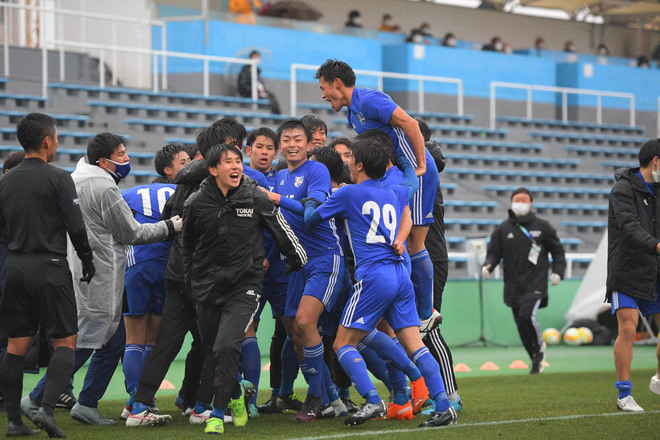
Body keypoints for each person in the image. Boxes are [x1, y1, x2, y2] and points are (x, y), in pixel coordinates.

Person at [21, 133, 182, 427]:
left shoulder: (76, 177)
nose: (126, 159)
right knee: (86, 340)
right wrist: (169, 226)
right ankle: (36, 397)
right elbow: (131, 233)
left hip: (79, 267)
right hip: (99, 271)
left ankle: (86, 403)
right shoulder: (104, 186)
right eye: (121, 154)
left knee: (112, 339)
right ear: (103, 160)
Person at [304, 138, 457, 428]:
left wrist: (313, 197)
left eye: (351, 158)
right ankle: (443, 405)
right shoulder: (395, 191)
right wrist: (399, 156)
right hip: (401, 274)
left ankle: (373, 399)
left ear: (359, 165)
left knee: (342, 343)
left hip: (374, 275)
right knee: (415, 345)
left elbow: (311, 218)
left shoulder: (349, 194)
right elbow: (413, 179)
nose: (347, 162)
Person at [126, 119, 250, 428]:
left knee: (168, 342)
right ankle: (200, 407)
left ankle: (138, 404)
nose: (237, 155)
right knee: (216, 344)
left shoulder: (183, 180)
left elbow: (171, 220)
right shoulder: (217, 182)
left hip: (178, 274)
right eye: (235, 145)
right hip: (205, 277)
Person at [181, 144, 307, 434]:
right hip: (206, 287)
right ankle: (237, 393)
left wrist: (297, 258)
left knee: (227, 345)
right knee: (215, 351)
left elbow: (280, 228)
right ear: (214, 170)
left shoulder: (255, 196)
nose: (236, 166)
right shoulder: (197, 203)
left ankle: (217, 412)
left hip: (245, 286)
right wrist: (191, 280)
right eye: (228, 162)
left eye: (238, 160)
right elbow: (186, 247)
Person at [315, 59, 442, 340]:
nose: (323, 95)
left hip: (413, 173)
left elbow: (410, 123)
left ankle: (425, 312)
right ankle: (411, 309)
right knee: (399, 240)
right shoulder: (353, 113)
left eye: (324, 88)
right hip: (396, 175)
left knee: (414, 242)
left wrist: (421, 164)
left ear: (338, 83)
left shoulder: (369, 99)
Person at [0, 113, 95, 438]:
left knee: (15, 346)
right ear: (46, 141)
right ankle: (46, 410)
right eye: (55, 137)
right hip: (50, 267)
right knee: (66, 342)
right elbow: (76, 227)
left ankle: (14, 423)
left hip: (15, 268)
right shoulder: (58, 178)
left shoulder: (6, 180)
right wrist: (88, 260)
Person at [262, 119, 346, 421]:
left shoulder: (317, 170)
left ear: (309, 144)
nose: (292, 144)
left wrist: (277, 198)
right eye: (286, 139)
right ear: (280, 145)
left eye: (298, 139)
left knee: (306, 322)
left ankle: (316, 397)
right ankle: (331, 398)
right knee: (297, 334)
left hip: (325, 258)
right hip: (296, 264)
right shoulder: (278, 176)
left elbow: (312, 216)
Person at [119, 144, 188, 419]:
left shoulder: (130, 193)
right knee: (153, 339)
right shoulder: (183, 193)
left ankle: (136, 400)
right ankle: (143, 402)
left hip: (137, 267)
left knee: (134, 338)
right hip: (170, 268)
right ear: (169, 171)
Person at [482, 187, 566, 374]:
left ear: (530, 203)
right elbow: (494, 253)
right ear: (512, 202)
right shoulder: (503, 228)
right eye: (517, 199)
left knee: (527, 315)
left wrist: (559, 271)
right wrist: (488, 265)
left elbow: (558, 251)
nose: (520, 202)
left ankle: (540, 347)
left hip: (535, 283)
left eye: (524, 199)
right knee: (521, 324)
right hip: (513, 285)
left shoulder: (543, 227)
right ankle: (535, 361)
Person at [606, 138, 660, 412]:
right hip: (626, 270)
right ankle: (624, 394)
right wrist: (657, 245)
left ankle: (659, 378)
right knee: (628, 327)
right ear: (656, 161)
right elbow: (629, 227)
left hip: (654, 269)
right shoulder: (622, 190)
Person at [244, 127, 293, 415]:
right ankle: (246, 399)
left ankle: (292, 393)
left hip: (278, 270)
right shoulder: (238, 180)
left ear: (276, 153)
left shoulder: (282, 183)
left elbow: (281, 226)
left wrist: (269, 256)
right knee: (246, 330)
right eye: (258, 146)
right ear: (247, 150)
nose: (264, 152)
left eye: (269, 147)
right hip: (248, 270)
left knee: (297, 331)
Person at [415, 119, 462, 414]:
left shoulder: (425, 165)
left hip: (429, 258)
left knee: (427, 327)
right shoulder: (411, 167)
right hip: (411, 257)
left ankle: (450, 394)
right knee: (410, 330)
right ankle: (423, 393)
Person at [237, 50, 281, 115]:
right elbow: (243, 86)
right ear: (250, 58)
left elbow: (261, 84)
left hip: (260, 93)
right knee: (267, 99)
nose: (257, 59)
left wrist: (262, 90)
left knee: (272, 96)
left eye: (258, 57)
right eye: (255, 57)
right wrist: (256, 90)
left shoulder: (258, 71)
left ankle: (277, 117)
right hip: (249, 94)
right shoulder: (245, 71)